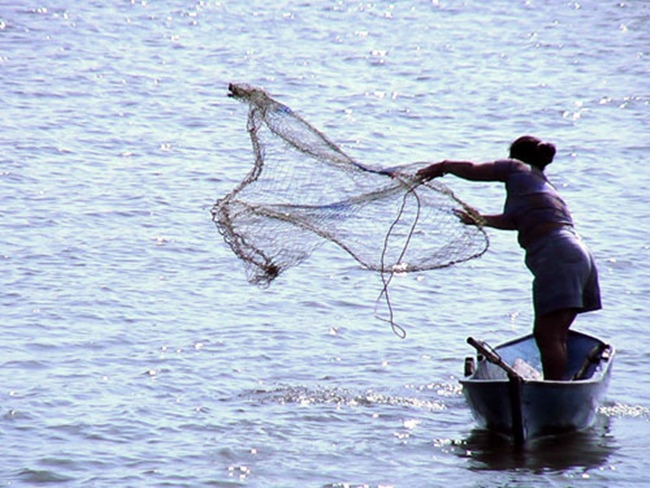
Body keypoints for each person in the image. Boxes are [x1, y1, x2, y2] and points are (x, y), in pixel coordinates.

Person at [417, 135, 601, 380]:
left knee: (547, 335)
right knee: (556, 335)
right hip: (579, 255)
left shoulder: (516, 167)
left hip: (557, 255)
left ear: (514, 156)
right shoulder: (541, 185)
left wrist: (444, 166)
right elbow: (515, 221)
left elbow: (474, 170)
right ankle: (558, 388)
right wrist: (481, 220)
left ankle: (553, 391)